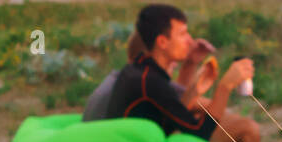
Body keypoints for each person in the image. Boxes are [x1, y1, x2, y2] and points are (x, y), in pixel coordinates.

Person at [105, 4, 260, 142]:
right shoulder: (151, 81)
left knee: (235, 131)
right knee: (248, 130)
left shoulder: (141, 71)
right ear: (162, 42)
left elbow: (171, 113)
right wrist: (226, 86)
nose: (189, 40)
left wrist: (193, 79)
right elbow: (200, 131)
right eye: (182, 34)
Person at [83, 30, 216, 122]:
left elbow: (181, 101)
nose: (175, 65)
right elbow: (211, 110)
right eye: (170, 59)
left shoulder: (118, 78)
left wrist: (190, 64)